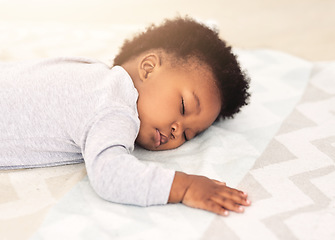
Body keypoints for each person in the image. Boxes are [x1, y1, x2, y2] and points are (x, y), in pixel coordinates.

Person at [0, 17, 251, 216]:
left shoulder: (94, 74)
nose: (177, 130)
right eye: (183, 107)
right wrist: (184, 186)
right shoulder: (115, 107)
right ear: (149, 67)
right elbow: (110, 174)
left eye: (188, 134)